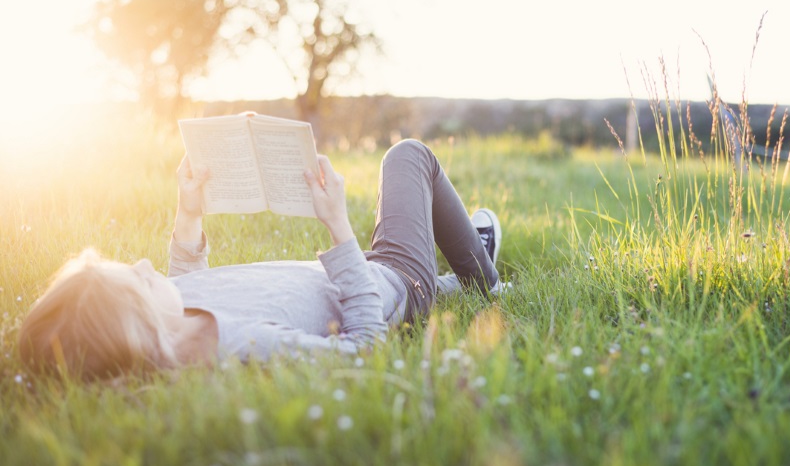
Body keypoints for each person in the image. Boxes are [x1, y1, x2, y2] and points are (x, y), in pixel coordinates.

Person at [17, 139, 504, 381]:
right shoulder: (241, 345)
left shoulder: (175, 321)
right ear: (143, 332)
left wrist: (188, 214)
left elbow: (188, 288)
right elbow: (364, 351)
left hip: (348, 274)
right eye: (140, 284)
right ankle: (483, 277)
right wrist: (337, 225)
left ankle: (455, 274)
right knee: (408, 155)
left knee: (408, 221)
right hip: (391, 282)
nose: (145, 267)